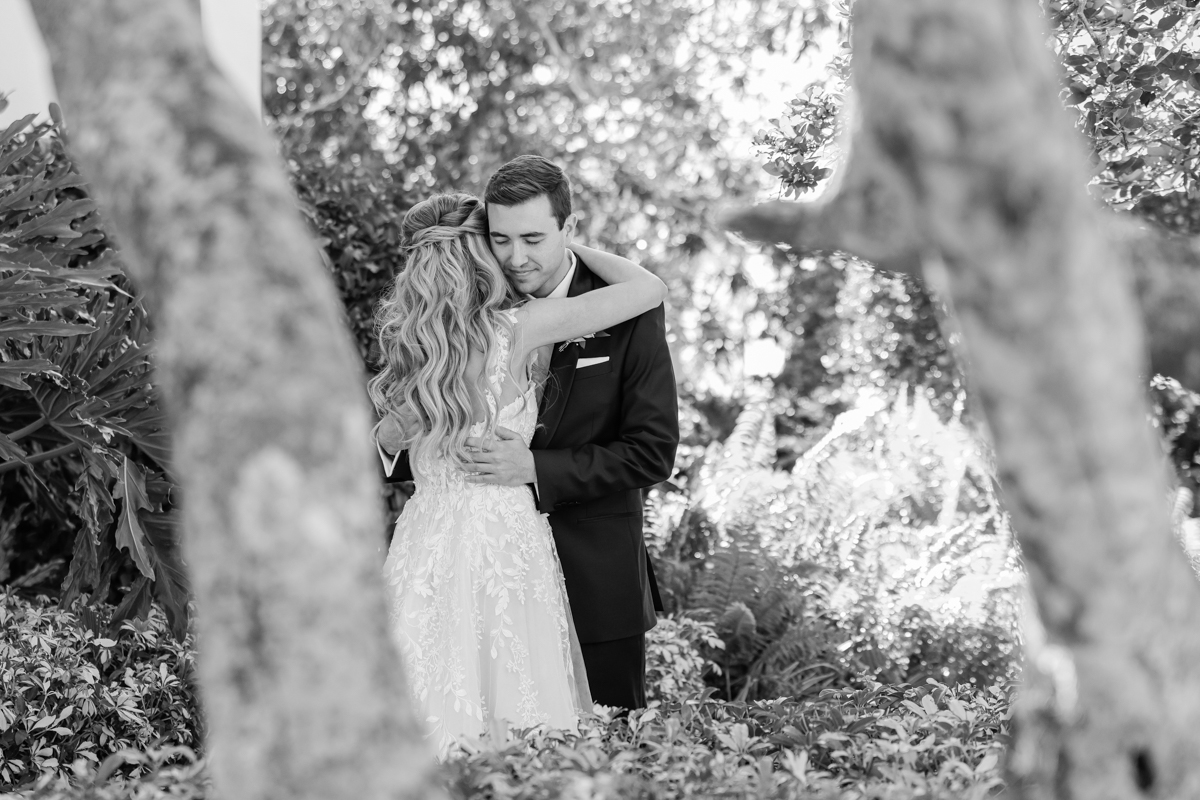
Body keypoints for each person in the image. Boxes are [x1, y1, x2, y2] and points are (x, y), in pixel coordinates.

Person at [371, 190, 667, 755]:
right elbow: (648, 288)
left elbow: (405, 445)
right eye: (499, 242)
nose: (514, 256)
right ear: (481, 255)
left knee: (422, 693)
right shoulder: (519, 328)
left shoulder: (416, 347)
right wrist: (562, 240)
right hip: (503, 543)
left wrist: (390, 432)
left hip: (425, 544)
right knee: (518, 712)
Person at [464, 155, 680, 711]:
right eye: (501, 239)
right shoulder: (470, 302)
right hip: (487, 585)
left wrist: (536, 469)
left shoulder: (629, 309)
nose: (516, 258)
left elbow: (652, 452)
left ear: (569, 228)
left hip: (596, 584)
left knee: (606, 749)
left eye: (534, 239)